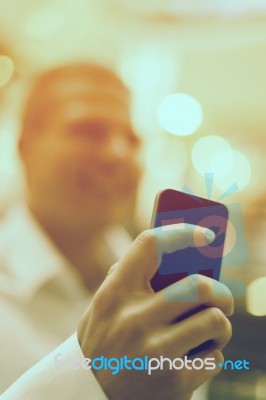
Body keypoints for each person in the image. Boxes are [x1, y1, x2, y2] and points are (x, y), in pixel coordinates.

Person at [0, 63, 234, 399]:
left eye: (132, 138)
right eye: (88, 130)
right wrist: (95, 382)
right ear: (25, 147)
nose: (117, 153)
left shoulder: (163, 290)